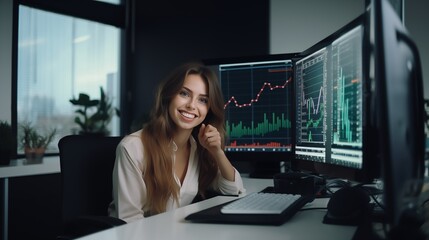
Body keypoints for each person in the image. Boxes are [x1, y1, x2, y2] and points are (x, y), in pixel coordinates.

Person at [108, 62, 245, 222]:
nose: (191, 105)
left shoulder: (197, 148)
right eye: (184, 93)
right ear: (169, 95)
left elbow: (233, 190)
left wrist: (217, 152)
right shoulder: (133, 148)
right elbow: (129, 221)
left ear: (209, 109)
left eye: (203, 100)